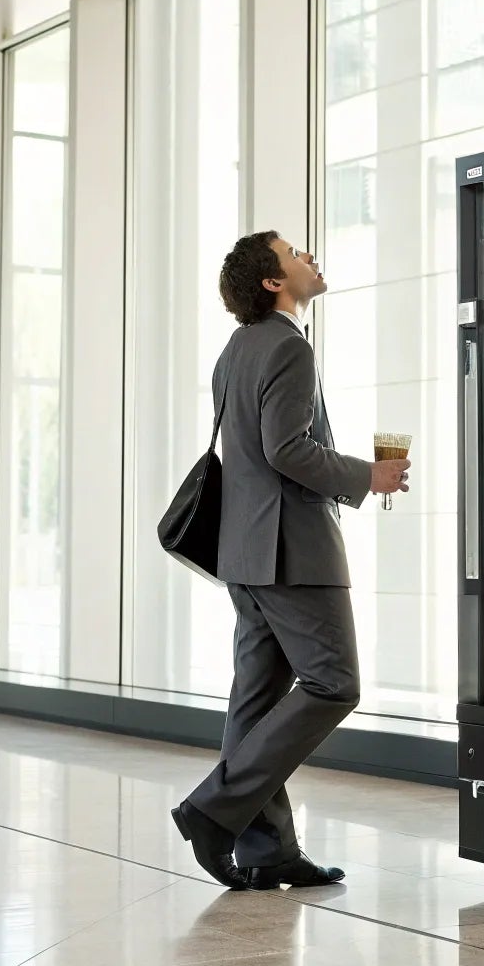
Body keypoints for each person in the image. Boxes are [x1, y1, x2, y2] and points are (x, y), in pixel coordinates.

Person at [169, 231, 412, 890]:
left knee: (255, 700)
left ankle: (268, 848)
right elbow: (287, 450)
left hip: (243, 552)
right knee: (334, 683)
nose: (310, 257)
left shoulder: (236, 349)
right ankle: (213, 810)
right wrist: (371, 477)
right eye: (295, 253)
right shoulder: (287, 345)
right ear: (275, 282)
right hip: (292, 552)